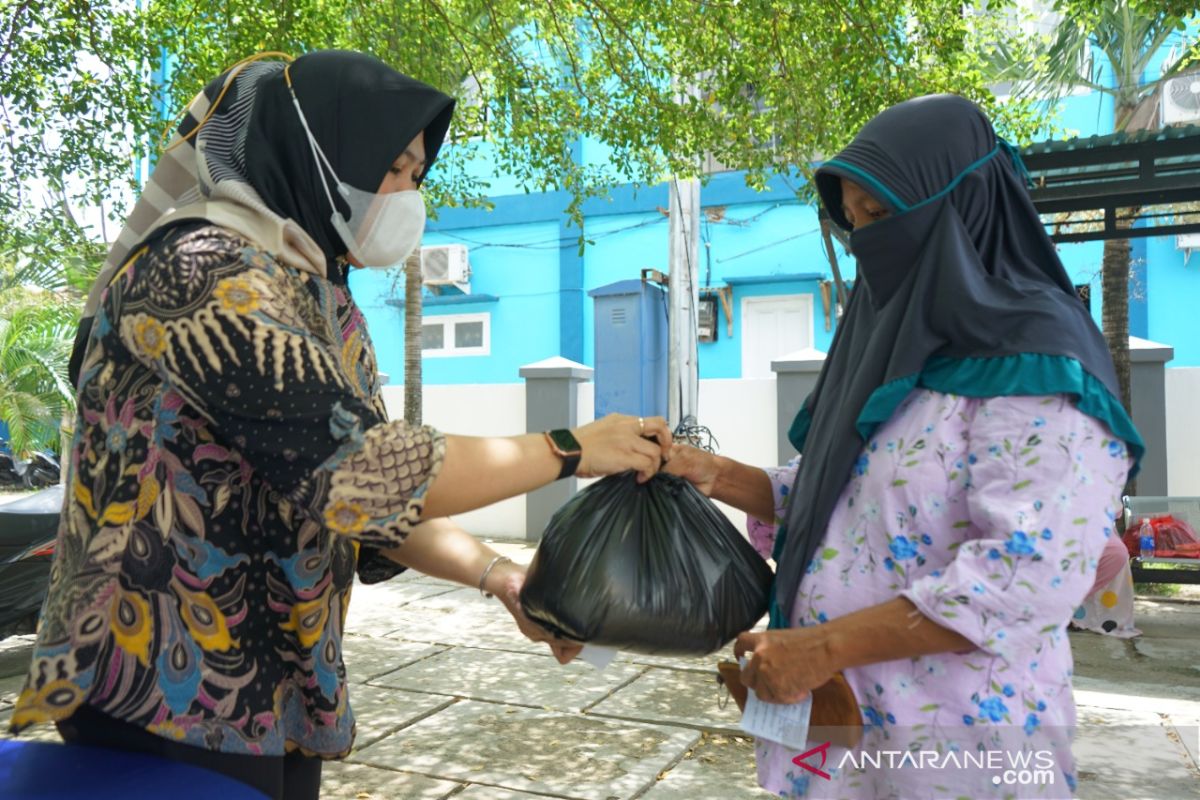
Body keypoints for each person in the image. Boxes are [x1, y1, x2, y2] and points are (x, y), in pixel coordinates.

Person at [9, 50, 669, 800]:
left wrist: (502, 577)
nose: (407, 194)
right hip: (156, 677)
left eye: (417, 177)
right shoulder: (201, 269)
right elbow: (363, 470)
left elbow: (364, 507)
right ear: (319, 153)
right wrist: (569, 448)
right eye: (392, 167)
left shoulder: (322, 294)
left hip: (276, 677)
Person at [666, 94, 1142, 798]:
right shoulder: (891, 345)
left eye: (882, 216)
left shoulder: (1042, 364)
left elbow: (1024, 578)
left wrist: (824, 646)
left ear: (966, 202)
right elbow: (839, 503)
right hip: (831, 726)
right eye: (853, 220)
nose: (867, 243)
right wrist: (698, 469)